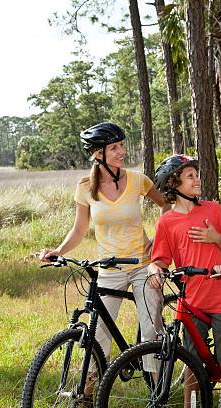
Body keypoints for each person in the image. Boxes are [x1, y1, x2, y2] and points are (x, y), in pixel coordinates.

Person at [39, 122, 169, 400]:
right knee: (97, 335)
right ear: (98, 154)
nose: (122, 151)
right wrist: (58, 252)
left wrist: (158, 241)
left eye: (121, 145)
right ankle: (86, 396)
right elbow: (79, 229)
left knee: (150, 328)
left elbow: (167, 208)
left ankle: (157, 392)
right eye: (114, 148)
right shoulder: (85, 187)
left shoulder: (137, 180)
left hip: (143, 264)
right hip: (108, 267)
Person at [147, 154, 221, 408]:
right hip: (192, 301)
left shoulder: (213, 209)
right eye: (190, 176)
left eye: (197, 174)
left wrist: (215, 237)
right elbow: (159, 260)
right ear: (174, 184)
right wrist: (154, 271)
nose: (197, 179)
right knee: (191, 363)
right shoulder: (166, 221)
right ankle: (191, 405)